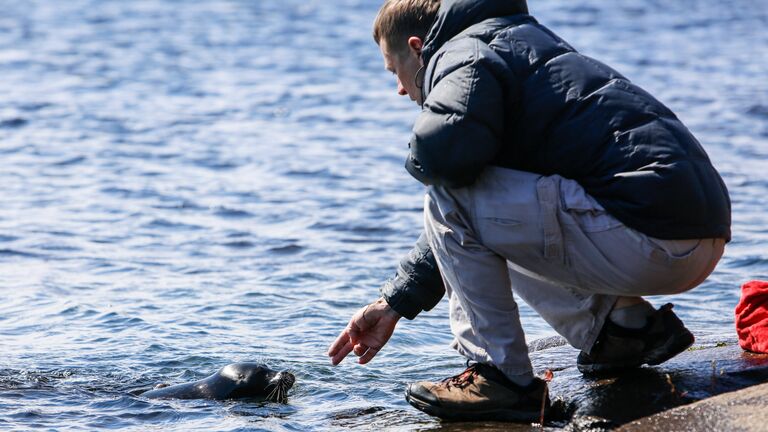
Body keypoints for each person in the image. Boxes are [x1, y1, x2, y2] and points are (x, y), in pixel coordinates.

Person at [327, 0, 731, 423]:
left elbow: (442, 161)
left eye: (395, 72)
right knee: (484, 206)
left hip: (647, 235)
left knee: (444, 193)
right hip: (693, 233)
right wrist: (393, 303)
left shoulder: (464, 53)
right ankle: (623, 327)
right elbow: (483, 216)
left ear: (417, 47)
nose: (400, 90)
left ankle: (500, 376)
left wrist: (415, 155)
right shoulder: (520, 43)